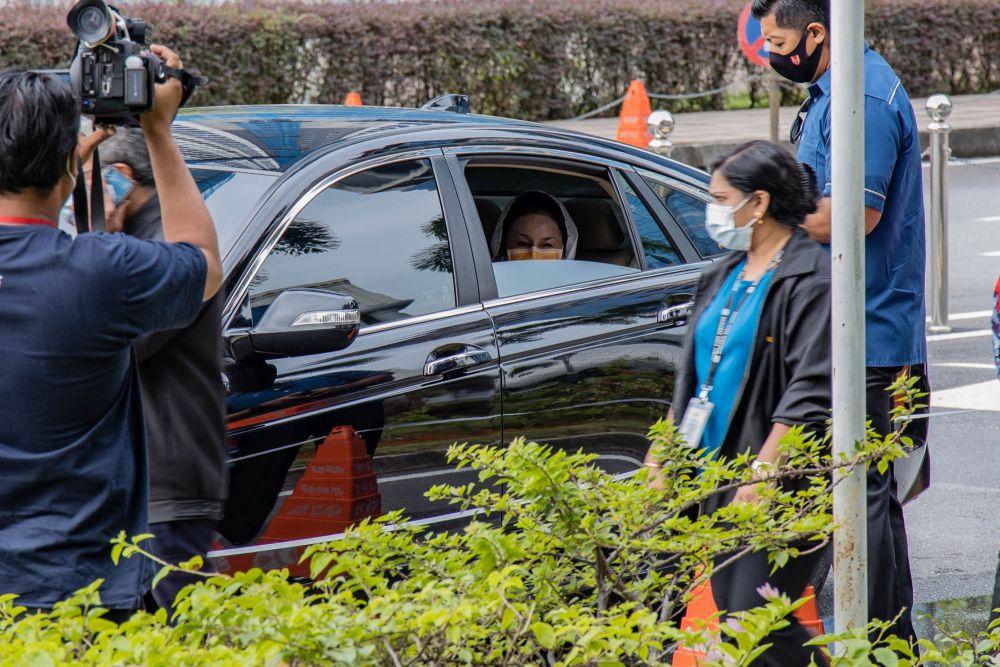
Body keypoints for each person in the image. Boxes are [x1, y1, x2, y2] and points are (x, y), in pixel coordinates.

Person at [0, 45, 222, 618]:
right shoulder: (102, 272)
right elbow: (201, 260)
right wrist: (157, 130)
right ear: (69, 166)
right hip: (75, 590)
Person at [753, 0, 926, 642]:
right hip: (847, 326)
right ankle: (886, 642)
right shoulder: (834, 93)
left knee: (864, 495)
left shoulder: (865, 98)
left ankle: (878, 642)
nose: (774, 53)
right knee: (861, 492)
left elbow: (855, 213)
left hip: (871, 331)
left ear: (818, 33)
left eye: (779, 40)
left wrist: (766, 221)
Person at [645, 141, 830, 665]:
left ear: (759, 204)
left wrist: (765, 470)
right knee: (738, 617)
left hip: (772, 477)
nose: (713, 209)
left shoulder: (808, 277)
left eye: (720, 197)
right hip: (708, 470)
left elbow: (810, 388)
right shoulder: (721, 274)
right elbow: (691, 377)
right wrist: (660, 454)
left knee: (756, 620)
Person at [99, 127, 227, 616]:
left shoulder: (156, 251)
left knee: (179, 631)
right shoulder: (140, 240)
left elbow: (111, 345)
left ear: (120, 178)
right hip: (150, 478)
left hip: (166, 479)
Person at [490, 190, 578, 261]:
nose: (534, 255)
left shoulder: (584, 282)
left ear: (565, 251)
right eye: (522, 243)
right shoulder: (486, 282)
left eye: (547, 245)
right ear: (504, 249)